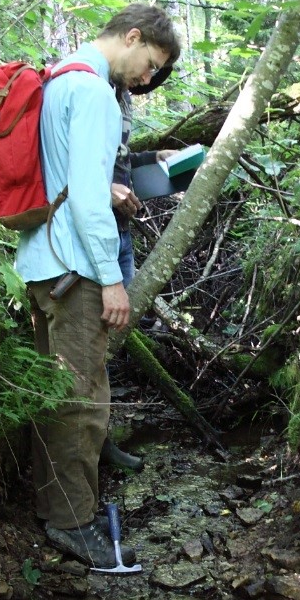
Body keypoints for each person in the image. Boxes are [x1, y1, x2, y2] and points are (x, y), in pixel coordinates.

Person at [15, 4, 181, 569]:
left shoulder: (59, 76)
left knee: (58, 391)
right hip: (75, 270)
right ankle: (73, 523)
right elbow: (88, 197)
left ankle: (53, 505)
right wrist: (111, 280)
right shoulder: (92, 93)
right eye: (150, 63)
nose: (148, 77)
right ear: (132, 37)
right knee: (82, 399)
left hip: (42, 262)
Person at [100, 64, 176, 474]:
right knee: (93, 342)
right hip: (94, 236)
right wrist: (104, 190)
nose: (148, 81)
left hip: (119, 231)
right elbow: (69, 167)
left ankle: (101, 436)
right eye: (149, 69)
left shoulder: (123, 96)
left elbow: (117, 161)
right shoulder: (87, 85)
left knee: (112, 337)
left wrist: (154, 159)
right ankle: (97, 441)